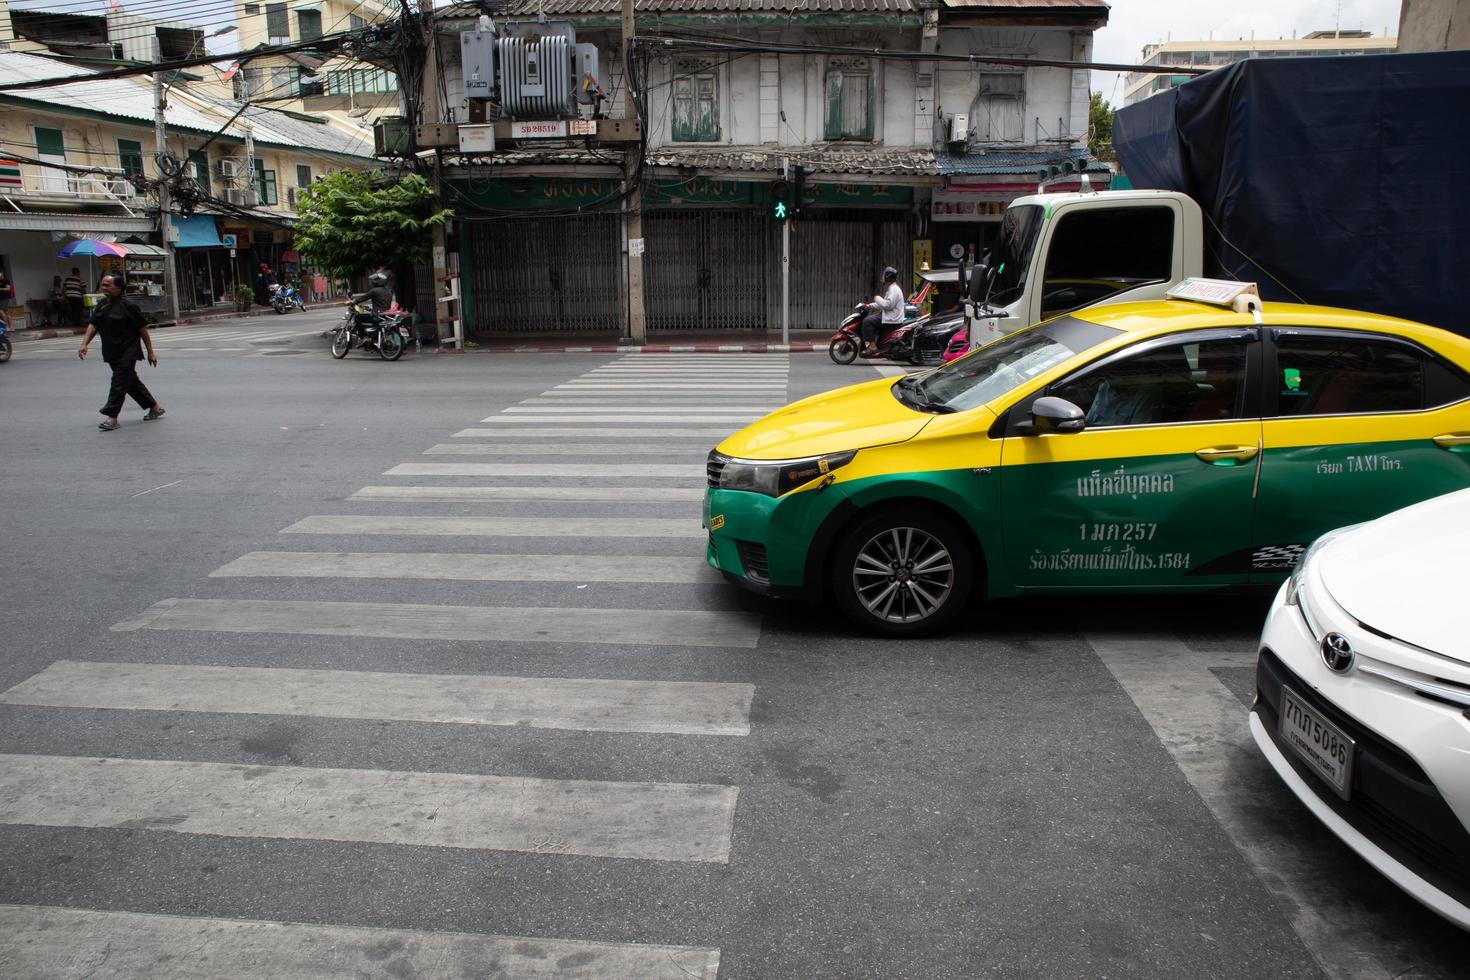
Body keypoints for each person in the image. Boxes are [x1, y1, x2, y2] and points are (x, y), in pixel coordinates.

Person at [77, 273, 164, 431]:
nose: (104, 288)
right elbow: (93, 325)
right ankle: (155, 407)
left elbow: (142, 330)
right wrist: (84, 344)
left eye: (107, 286)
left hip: (128, 351)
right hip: (111, 351)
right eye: (103, 285)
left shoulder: (129, 306)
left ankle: (112, 417)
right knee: (130, 382)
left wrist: (151, 352)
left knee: (118, 383)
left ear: (119, 288)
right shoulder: (102, 304)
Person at [860, 266, 905, 353]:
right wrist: (869, 305)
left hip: (891, 318)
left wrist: (877, 297)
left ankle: (872, 346)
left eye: (884, 275)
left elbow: (887, 305)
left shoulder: (894, 289)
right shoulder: (892, 288)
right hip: (889, 315)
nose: (882, 277)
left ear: (888, 277)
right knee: (871, 319)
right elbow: (883, 304)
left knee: (867, 321)